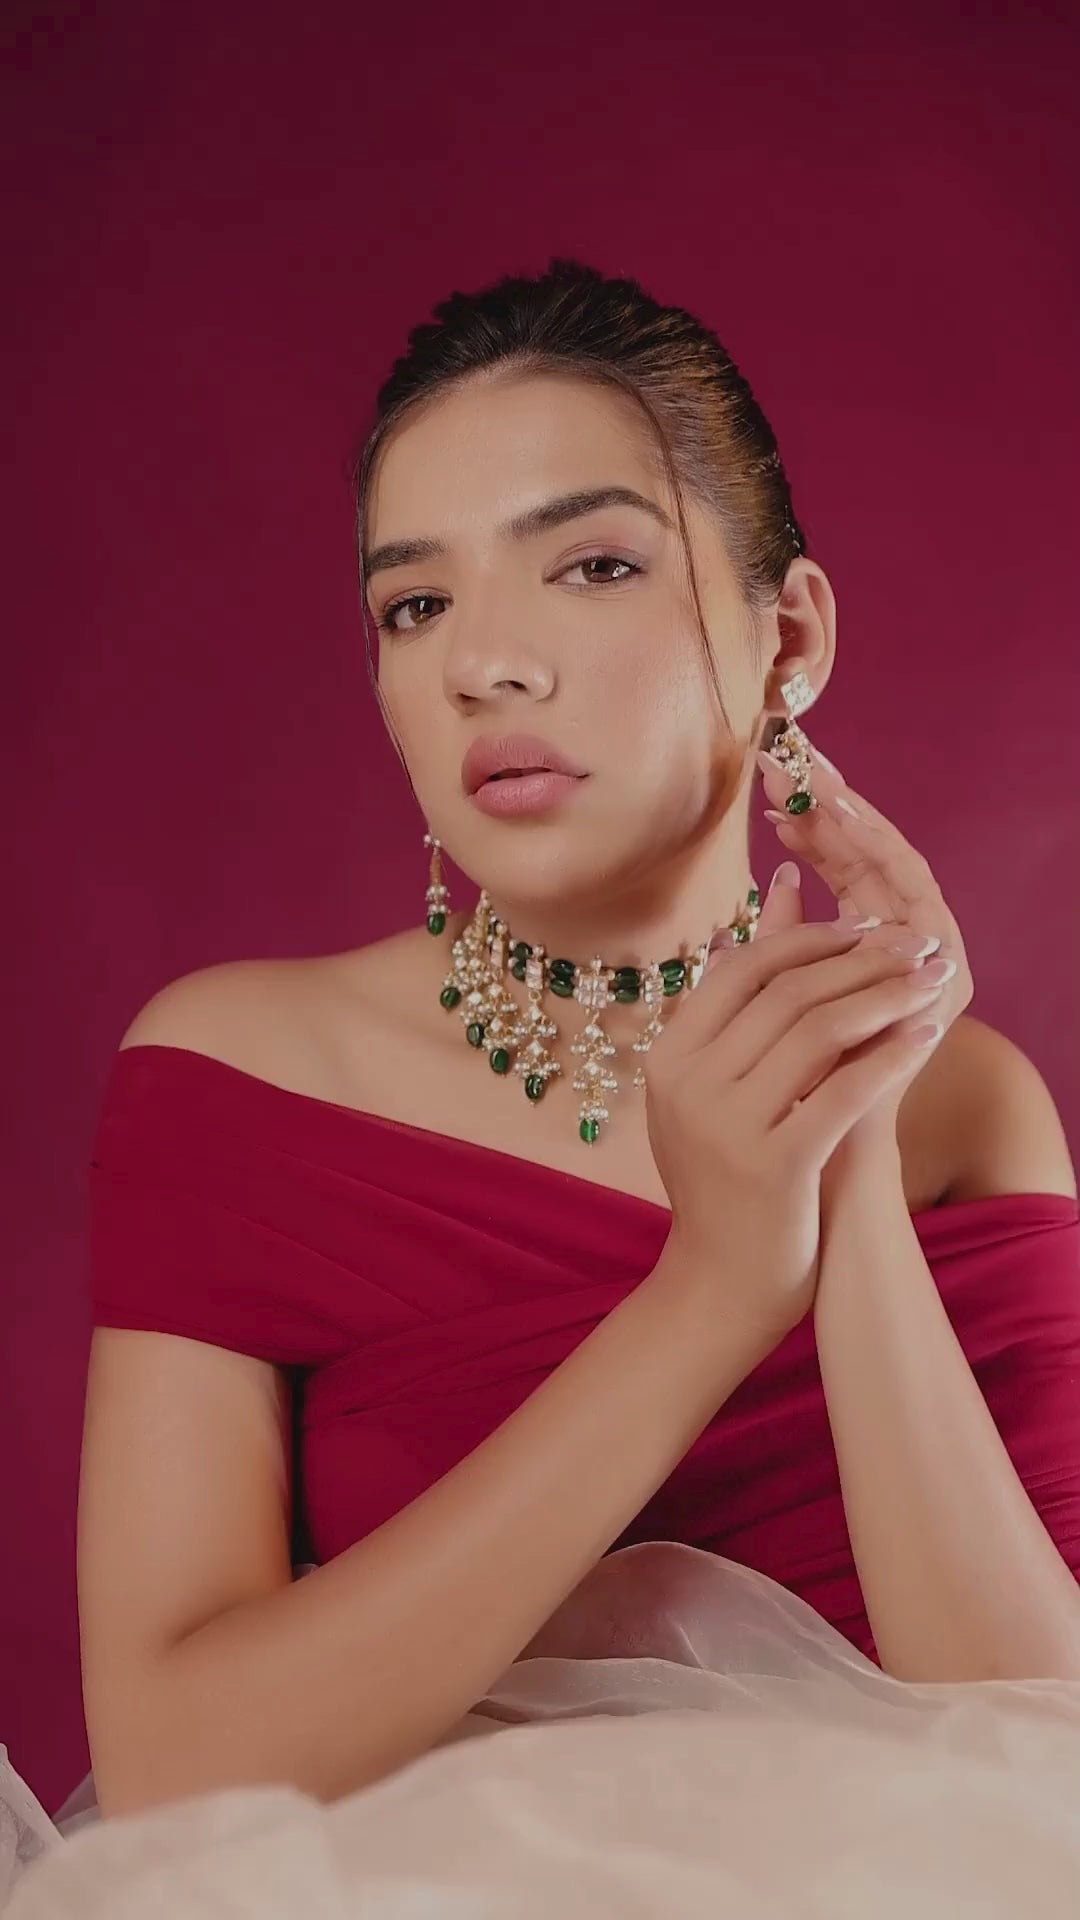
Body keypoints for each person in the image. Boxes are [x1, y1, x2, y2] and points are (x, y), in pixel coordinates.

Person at [4, 260, 1080, 1911]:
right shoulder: (236, 1074)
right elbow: (171, 1768)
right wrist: (712, 1287)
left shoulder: (967, 1105)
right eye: (413, 604)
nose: (483, 666)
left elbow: (1038, 1754)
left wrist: (846, 1125)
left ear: (785, 634)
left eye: (590, 564)